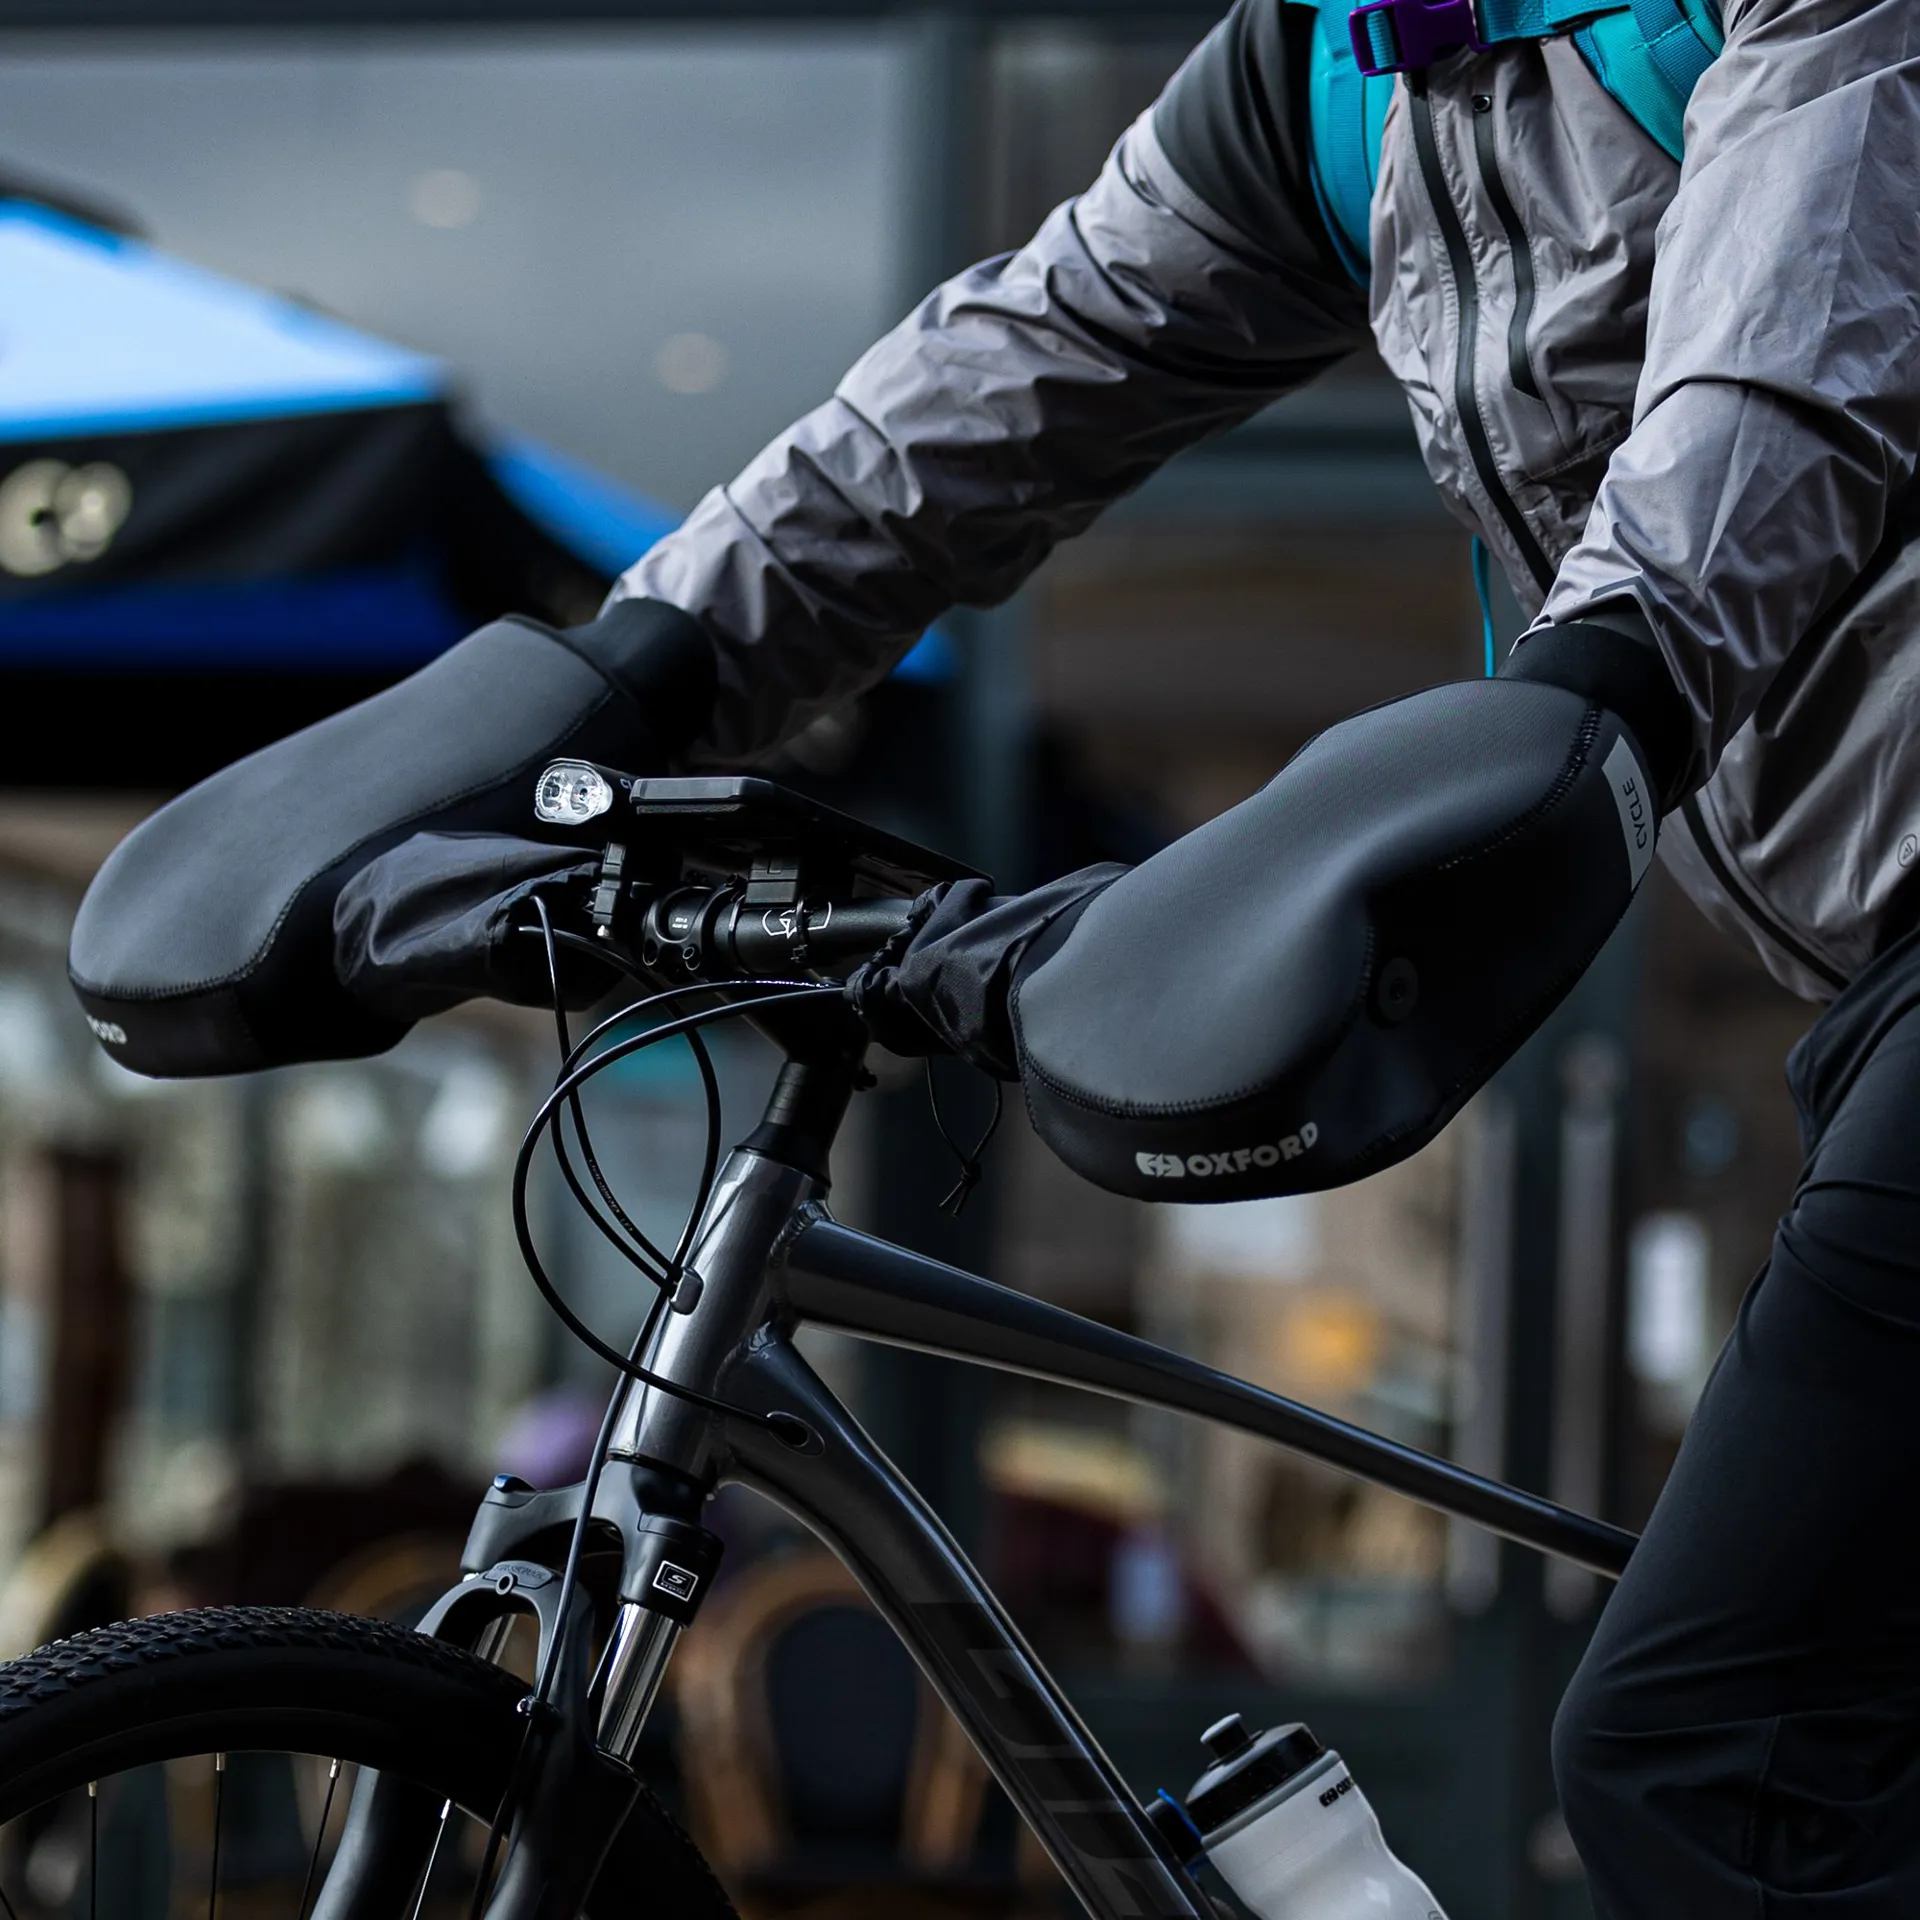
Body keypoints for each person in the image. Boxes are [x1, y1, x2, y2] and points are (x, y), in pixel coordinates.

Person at [67, 0, 1920, 1909]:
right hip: (1863, 978)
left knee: (1718, 1753)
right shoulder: (1331, 71)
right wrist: (617, 684)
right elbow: (1010, 377)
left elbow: (1776, 379)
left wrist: (1591, 694)